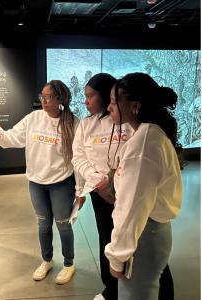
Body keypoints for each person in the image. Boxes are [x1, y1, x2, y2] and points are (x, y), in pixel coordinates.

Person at [0, 80, 83, 285]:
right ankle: (46, 260)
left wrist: (81, 189)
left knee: (63, 225)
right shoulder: (33, 118)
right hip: (36, 183)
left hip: (61, 183)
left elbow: (79, 158)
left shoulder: (73, 123)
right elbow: (12, 138)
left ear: (60, 99)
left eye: (48, 97)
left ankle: (68, 263)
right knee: (43, 225)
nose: (44, 101)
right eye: (42, 96)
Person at [104, 72, 182, 300]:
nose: (109, 108)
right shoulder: (149, 133)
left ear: (135, 106)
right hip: (149, 233)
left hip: (143, 236)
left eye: (113, 102)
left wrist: (118, 255)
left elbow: (133, 209)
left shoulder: (144, 143)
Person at [72, 73, 134, 300]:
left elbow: (134, 157)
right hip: (99, 192)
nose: (85, 101)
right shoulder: (87, 125)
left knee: (131, 236)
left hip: (127, 192)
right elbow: (78, 156)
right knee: (106, 236)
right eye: (85, 96)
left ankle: (132, 284)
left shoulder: (127, 122)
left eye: (90, 96)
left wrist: (114, 183)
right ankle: (111, 288)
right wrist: (95, 179)